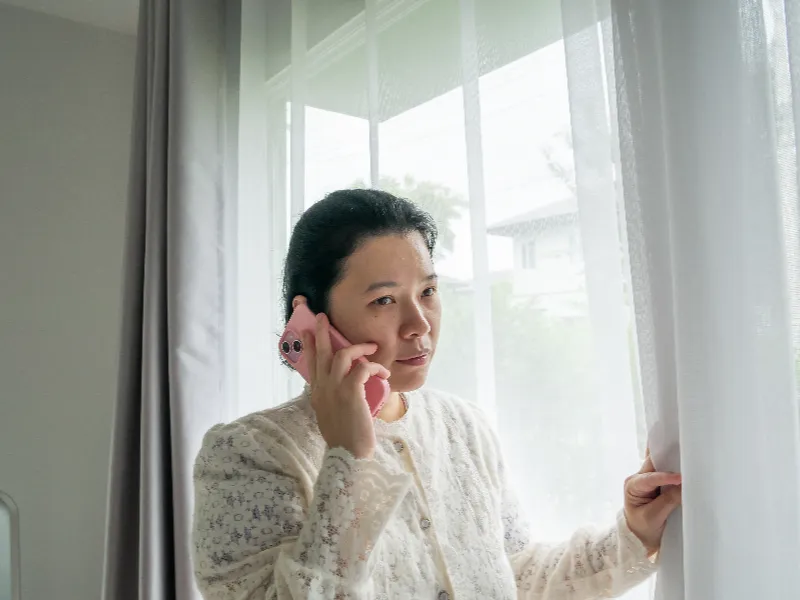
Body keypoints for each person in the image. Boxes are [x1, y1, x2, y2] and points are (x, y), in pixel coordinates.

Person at [192, 189, 682, 599]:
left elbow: (517, 576)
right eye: (384, 300)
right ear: (310, 318)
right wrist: (349, 456)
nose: (420, 323)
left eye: (427, 292)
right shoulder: (247, 452)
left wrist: (634, 532)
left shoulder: (463, 425)